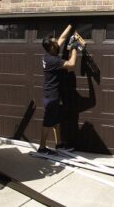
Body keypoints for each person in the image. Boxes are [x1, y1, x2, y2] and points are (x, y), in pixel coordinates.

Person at [38, 24, 78, 154]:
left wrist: (71, 24)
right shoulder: (52, 60)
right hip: (51, 97)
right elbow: (71, 65)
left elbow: (62, 37)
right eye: (55, 43)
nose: (57, 42)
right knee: (48, 122)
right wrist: (74, 48)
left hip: (52, 95)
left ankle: (59, 144)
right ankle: (42, 148)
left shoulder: (49, 53)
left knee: (56, 120)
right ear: (51, 47)